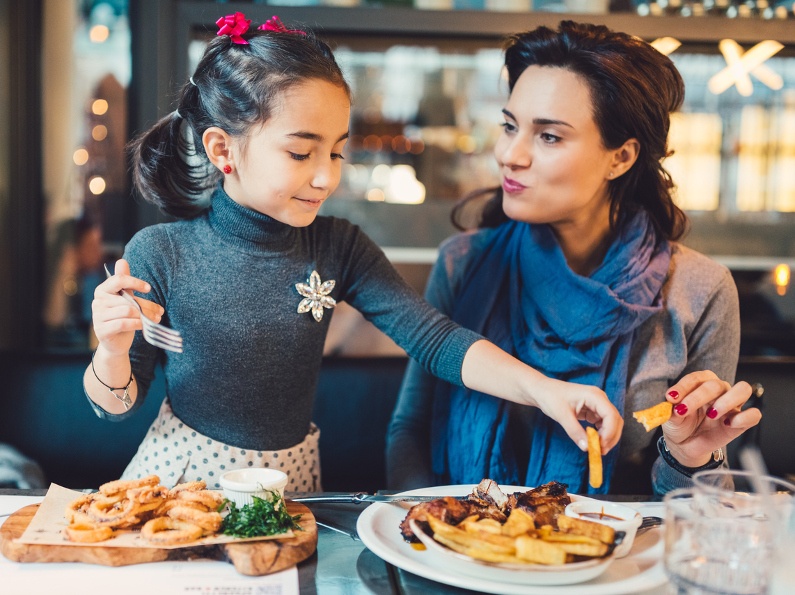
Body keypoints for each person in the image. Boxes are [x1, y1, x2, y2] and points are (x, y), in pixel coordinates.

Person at [83, 13, 623, 492]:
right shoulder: (161, 252)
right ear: (223, 149)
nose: (325, 176)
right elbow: (115, 408)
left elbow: (436, 341)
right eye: (300, 151)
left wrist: (547, 391)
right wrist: (110, 350)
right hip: (182, 485)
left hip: (289, 485)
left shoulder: (338, 246)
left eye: (337, 151)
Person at [386, 21, 762, 496]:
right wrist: (429, 529)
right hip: (457, 550)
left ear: (620, 158)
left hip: (610, 557)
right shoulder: (463, 263)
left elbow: (692, 507)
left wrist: (689, 458)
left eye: (549, 137)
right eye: (509, 126)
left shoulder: (700, 290)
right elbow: (408, 431)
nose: (508, 154)